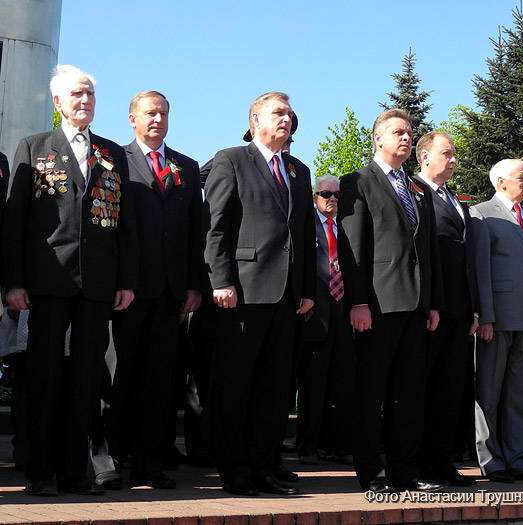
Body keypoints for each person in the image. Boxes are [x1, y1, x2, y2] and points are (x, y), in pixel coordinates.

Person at [3, 64, 138, 496]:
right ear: (58, 102)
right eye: (76, 95)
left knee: (86, 378)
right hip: (48, 280)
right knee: (43, 377)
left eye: (91, 95)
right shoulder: (34, 146)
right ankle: (40, 472)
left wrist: (127, 280)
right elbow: (15, 221)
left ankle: (75, 471)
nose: (85, 101)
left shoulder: (112, 152)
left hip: (98, 284)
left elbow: (126, 225)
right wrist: (14, 282)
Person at [204, 91, 315, 496]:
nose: (286, 119)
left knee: (274, 388)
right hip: (243, 292)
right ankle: (233, 469)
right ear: (255, 119)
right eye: (277, 112)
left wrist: (305, 290)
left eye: (289, 113)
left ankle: (265, 466)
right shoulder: (231, 159)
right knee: (235, 385)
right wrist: (220, 280)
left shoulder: (299, 171)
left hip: (286, 296)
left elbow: (304, 234)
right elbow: (216, 226)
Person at [337, 109, 444, 493]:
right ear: (378, 138)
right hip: (377, 306)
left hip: (415, 307)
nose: (406, 138)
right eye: (398, 131)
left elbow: (427, 251)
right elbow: (353, 249)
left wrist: (432, 303)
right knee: (371, 393)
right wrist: (357, 302)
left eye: (409, 132)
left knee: (408, 395)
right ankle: (372, 473)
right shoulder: (358, 183)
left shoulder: (417, 188)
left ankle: (405, 472)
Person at [107, 91, 203, 488]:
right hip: (128, 291)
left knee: (159, 381)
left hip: (170, 292)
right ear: (132, 119)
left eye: (163, 113)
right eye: (150, 113)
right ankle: (111, 459)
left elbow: (196, 231)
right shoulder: (113, 160)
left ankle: (149, 463)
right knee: (118, 378)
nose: (158, 119)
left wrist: (195, 284)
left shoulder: (186, 166)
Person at [470, 159, 523, 484]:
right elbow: (480, 269)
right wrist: (485, 315)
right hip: (498, 319)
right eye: (522, 177)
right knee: (488, 393)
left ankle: (520, 459)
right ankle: (491, 461)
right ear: (501, 181)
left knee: (522, 395)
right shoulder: (481, 214)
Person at [414, 132, 478, 487]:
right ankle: (420, 460)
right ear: (424, 157)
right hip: (430, 308)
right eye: (446, 154)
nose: (453, 160)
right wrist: (430, 302)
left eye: (455, 154)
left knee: (450, 388)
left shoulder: (456, 199)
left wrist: (475, 309)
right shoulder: (413, 193)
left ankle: (441, 459)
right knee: (423, 386)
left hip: (460, 310)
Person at [296, 174, 355, 466]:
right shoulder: (306, 227)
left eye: (336, 195)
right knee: (313, 386)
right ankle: (308, 446)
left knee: (343, 384)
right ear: (314, 196)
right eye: (325, 194)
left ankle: (341, 445)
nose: (331, 199)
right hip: (314, 315)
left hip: (343, 315)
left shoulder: (347, 228)